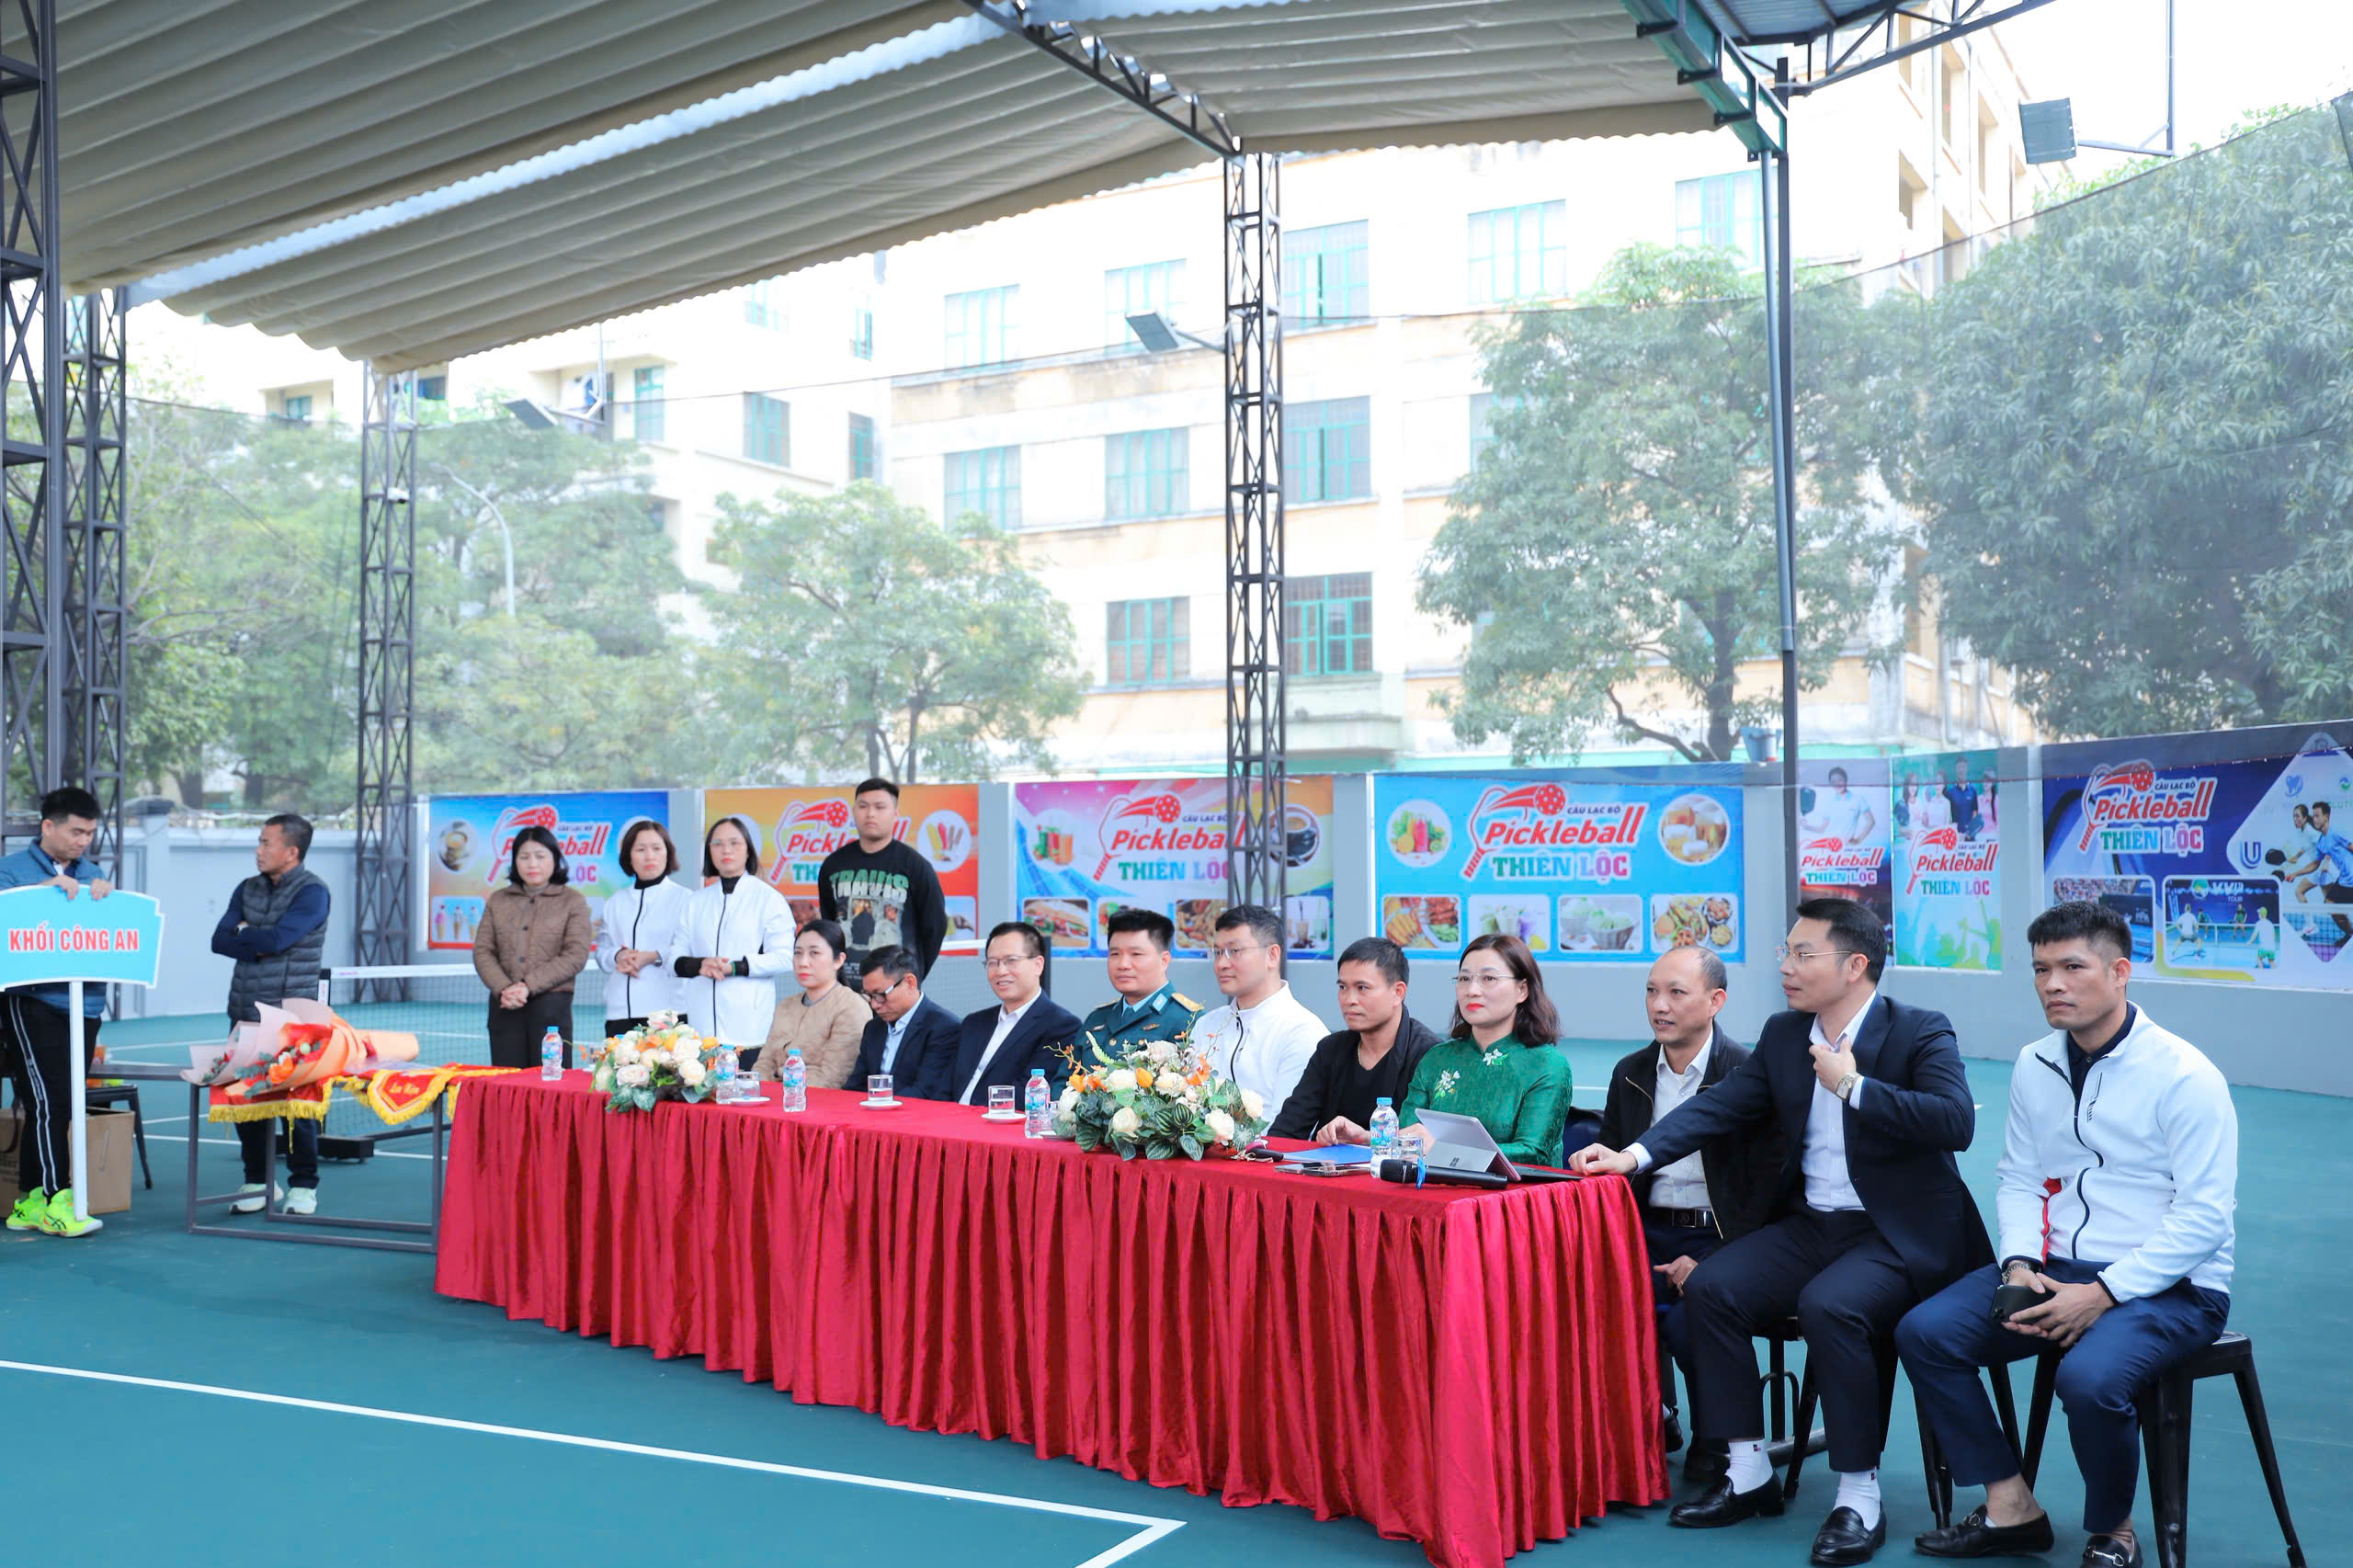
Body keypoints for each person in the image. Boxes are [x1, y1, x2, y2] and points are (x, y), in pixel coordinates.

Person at [1571, 899, 1987, 1565]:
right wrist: (1634, 1155)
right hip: (1811, 1225)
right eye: (1785, 953)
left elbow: (1955, 1122)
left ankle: (1858, 1496)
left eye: (1802, 954)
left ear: (1854, 965)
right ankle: (1748, 1470)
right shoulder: (1786, 1034)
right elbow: (1718, 1106)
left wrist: (1853, 1086)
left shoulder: (1919, 1029)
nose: (1786, 967)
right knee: (1712, 1288)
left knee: (1831, 1306)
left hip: (1893, 1234)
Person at [1899, 902, 2235, 1568]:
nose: (2052, 984)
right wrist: (2019, 1263)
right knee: (1926, 1333)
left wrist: (2105, 1293)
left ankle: (2115, 1531)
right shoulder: (2036, 1062)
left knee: (2086, 1379)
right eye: (2041, 969)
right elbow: (2021, 1176)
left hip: (2175, 1287)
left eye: (2072, 967)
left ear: (2119, 972)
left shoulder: (2186, 1076)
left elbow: (2205, 1218)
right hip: (2057, 1267)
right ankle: (2011, 1506)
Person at [1595, 945, 1784, 1483]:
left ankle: (1717, 1438)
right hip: (1644, 1230)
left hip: (1721, 1235)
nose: (1660, 1005)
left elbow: (1767, 1189)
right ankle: (1651, 1419)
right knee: (1598, 1305)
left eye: (1677, 993)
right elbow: (1614, 1163)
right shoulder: (1630, 1072)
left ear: (1716, 1001)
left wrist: (1717, 1257)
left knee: (1689, 1318)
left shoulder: (1746, 1073)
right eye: (1652, 992)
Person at [0, 787, 114, 1239]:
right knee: (49, 1102)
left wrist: (108, 898)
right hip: (34, 1003)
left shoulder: (94, 874)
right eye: (76, 832)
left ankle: (30, 1199)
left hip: (85, 1005)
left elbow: (109, 932)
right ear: (48, 826)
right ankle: (56, 1199)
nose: (83, 841)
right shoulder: (12, 871)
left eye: (89, 833)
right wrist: (41, 894)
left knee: (61, 1104)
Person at [210, 813, 330, 1215]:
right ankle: (258, 1181)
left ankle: (304, 1185)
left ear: (291, 852)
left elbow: (279, 939)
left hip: (292, 1017)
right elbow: (219, 941)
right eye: (259, 842)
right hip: (245, 1013)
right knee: (246, 1097)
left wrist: (245, 934)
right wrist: (252, 940)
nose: (258, 850)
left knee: (297, 1103)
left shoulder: (313, 893)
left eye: (266, 843)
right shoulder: (247, 888)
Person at [1395, 932, 1570, 1166]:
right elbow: (1408, 1133)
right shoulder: (1437, 1058)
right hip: (1432, 1184)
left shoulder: (1546, 1064)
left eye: (1489, 978)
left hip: (1519, 1188)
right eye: (1464, 978)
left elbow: (1533, 1153)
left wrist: (1443, 1149)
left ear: (1522, 990)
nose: (1472, 990)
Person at [1270, 936, 1438, 1142]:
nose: (1349, 1000)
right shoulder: (1330, 1050)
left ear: (1398, 992)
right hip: (1328, 1162)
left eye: (1362, 988)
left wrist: (1367, 1139)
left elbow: (1427, 1141)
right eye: (1343, 987)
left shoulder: (1429, 1055)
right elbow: (1285, 1132)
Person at [669, 816, 798, 1054]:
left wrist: (736, 967)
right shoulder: (695, 902)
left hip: (749, 1030)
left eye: (734, 843)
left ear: (748, 850)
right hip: (700, 1033)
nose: (726, 850)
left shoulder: (769, 899)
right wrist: (700, 965)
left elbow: (784, 957)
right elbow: (672, 959)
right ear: (709, 851)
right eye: (717, 843)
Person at [471, 824, 595, 1070]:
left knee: (551, 1085)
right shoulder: (498, 900)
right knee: (507, 1084)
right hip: (505, 1006)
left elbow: (575, 955)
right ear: (514, 861)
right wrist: (504, 988)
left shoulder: (573, 901)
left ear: (555, 859)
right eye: (524, 857)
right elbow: (483, 951)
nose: (532, 864)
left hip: (551, 1010)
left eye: (540, 856)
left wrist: (527, 986)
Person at [1188, 903, 1324, 1115]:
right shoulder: (1206, 1025)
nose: (1221, 963)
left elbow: (1288, 1126)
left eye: (1234, 951)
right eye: (1217, 952)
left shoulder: (1301, 1032)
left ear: (1272, 955)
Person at [817, 778, 947, 984]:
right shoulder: (833, 865)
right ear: (854, 811)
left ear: (895, 813)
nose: (870, 813)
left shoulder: (916, 866)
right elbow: (830, 923)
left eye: (880, 807)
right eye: (863, 806)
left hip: (897, 987)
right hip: (846, 987)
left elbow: (934, 927)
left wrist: (915, 972)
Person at [952, 921, 1081, 1106]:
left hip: (996, 1121)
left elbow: (1027, 1096)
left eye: (1011, 961)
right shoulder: (973, 1023)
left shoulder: (1062, 1027)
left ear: (1038, 965)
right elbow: (945, 1086)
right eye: (992, 962)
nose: (1000, 971)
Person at [1072, 908, 1203, 1066]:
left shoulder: (1188, 1020)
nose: (1123, 964)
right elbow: (1066, 1076)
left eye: (1136, 954)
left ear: (1164, 961)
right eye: (1115, 954)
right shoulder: (1097, 1018)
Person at [595, 820, 690, 1034]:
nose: (649, 856)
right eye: (640, 849)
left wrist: (652, 956)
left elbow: (691, 951)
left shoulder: (686, 899)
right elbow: (602, 952)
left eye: (656, 848)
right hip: (620, 1012)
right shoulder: (615, 902)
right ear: (628, 856)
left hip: (669, 1012)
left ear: (668, 853)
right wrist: (618, 956)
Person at [757, 918, 869, 1088]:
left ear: (839, 960)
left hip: (816, 1099)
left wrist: (779, 1076)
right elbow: (764, 1063)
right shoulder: (786, 1006)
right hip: (771, 1098)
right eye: (798, 953)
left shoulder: (851, 1006)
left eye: (814, 953)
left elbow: (832, 1078)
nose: (803, 962)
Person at [851, 944, 961, 1099]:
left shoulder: (944, 1028)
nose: (874, 1004)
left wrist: (877, 1105)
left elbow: (925, 1091)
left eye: (880, 994)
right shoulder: (874, 1027)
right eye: (869, 996)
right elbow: (855, 1085)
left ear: (910, 983)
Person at [1803, 767, 1877, 847]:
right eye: (1833, 781)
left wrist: (1858, 840)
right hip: (1830, 847)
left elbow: (1871, 821)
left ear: (1846, 780)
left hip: (1848, 848)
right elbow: (1822, 829)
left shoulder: (1858, 799)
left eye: (1840, 780)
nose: (1837, 784)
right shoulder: (1829, 802)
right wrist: (1806, 826)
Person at [1945, 757, 1984, 840]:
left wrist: (1970, 832)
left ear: (1967, 769)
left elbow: (1975, 813)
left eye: (1963, 767)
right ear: (1956, 770)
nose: (1961, 770)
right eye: (1959, 767)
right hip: (1955, 837)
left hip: (1970, 837)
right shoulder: (1950, 793)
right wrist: (1956, 833)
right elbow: (1948, 817)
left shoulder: (1973, 790)